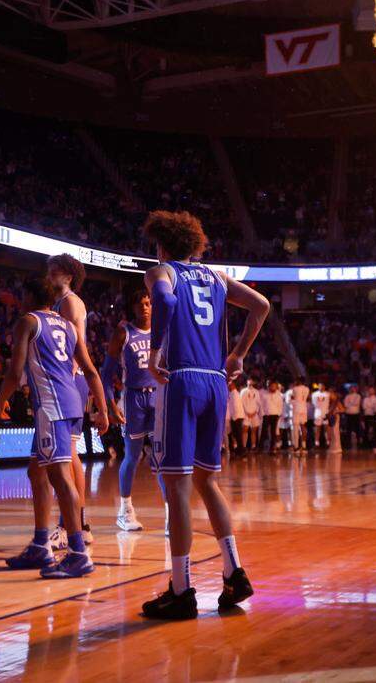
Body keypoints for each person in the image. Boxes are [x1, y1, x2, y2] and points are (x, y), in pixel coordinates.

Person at [139, 210, 269, 620]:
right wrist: (239, 355)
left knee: (176, 488)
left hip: (182, 380)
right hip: (216, 382)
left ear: (161, 245)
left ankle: (181, 590)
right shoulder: (216, 277)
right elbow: (261, 305)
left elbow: (163, 299)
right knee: (207, 482)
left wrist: (155, 350)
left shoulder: (163, 271)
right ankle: (234, 571)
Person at [1, 277, 108, 579]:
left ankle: (77, 552)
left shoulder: (27, 321)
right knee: (36, 471)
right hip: (73, 401)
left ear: (30, 296)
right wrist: (100, 408)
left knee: (60, 477)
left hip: (52, 407)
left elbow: (15, 369)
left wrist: (0, 403)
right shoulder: (68, 326)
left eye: (23, 293)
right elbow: (89, 369)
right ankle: (40, 544)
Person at [102, 289, 166, 533]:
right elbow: (106, 375)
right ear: (133, 308)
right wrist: (110, 405)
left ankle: (172, 514)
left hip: (158, 396)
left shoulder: (163, 331)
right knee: (133, 456)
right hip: (133, 398)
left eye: (148, 303)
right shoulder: (124, 332)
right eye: (140, 304)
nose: (145, 308)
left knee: (162, 458)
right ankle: (125, 511)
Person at [48, 253, 99, 546]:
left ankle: (74, 524)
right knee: (66, 454)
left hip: (70, 378)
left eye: (54, 272)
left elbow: (73, 345)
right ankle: (78, 523)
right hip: (70, 379)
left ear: (68, 275)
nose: (49, 276)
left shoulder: (69, 301)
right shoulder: (60, 302)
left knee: (68, 454)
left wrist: (68, 375)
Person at [239, 378, 262, 453]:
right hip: (246, 414)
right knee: (245, 430)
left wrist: (255, 412)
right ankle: (244, 446)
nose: (250, 384)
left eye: (252, 382)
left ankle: (253, 446)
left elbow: (258, 403)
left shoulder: (256, 392)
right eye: (249, 382)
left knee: (254, 430)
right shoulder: (243, 391)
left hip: (254, 414)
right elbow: (241, 403)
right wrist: (246, 412)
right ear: (247, 382)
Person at [288, 377, 309, 454]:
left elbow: (292, 399)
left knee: (296, 428)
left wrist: (292, 401)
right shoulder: (307, 389)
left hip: (296, 409)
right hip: (304, 409)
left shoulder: (295, 389)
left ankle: (296, 446)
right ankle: (304, 446)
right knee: (303, 427)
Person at [260, 380, 283, 453]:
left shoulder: (279, 395)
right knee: (264, 432)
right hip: (266, 415)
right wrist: (263, 414)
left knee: (273, 433)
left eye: (274, 386)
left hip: (275, 415)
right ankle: (260, 448)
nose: (273, 387)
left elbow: (280, 405)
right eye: (271, 386)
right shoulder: (264, 394)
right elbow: (262, 405)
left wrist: (279, 414)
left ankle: (272, 448)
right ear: (269, 386)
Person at [311, 383, 330, 451]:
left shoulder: (328, 394)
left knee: (326, 429)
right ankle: (317, 443)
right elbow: (313, 404)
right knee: (317, 429)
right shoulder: (314, 394)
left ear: (324, 386)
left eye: (322, 386)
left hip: (325, 413)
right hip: (318, 412)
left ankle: (328, 443)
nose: (321, 387)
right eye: (319, 386)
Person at [343, 384, 362, 450]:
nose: (352, 389)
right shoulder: (347, 396)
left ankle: (359, 442)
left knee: (357, 429)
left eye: (354, 388)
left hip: (356, 414)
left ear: (356, 389)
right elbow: (345, 404)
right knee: (348, 429)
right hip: (349, 414)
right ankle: (348, 443)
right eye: (351, 388)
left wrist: (350, 404)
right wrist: (351, 404)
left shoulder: (358, 396)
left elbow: (356, 403)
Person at [361, 385, 376, 450]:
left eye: (372, 390)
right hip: (367, 415)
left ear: (374, 391)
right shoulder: (366, 399)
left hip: (373, 415)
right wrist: (370, 406)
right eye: (369, 390)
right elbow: (364, 407)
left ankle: (374, 444)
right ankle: (366, 444)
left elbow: (375, 407)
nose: (370, 391)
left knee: (374, 430)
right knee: (366, 430)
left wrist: (370, 406)